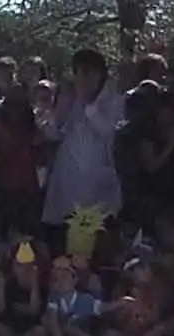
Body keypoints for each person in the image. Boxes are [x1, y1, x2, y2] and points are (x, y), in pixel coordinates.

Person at [42, 49, 125, 229]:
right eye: (78, 73)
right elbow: (52, 134)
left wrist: (89, 105)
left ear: (100, 74)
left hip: (99, 185)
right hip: (68, 183)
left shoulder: (115, 101)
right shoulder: (70, 100)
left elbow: (110, 132)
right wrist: (60, 108)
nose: (83, 79)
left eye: (88, 73)